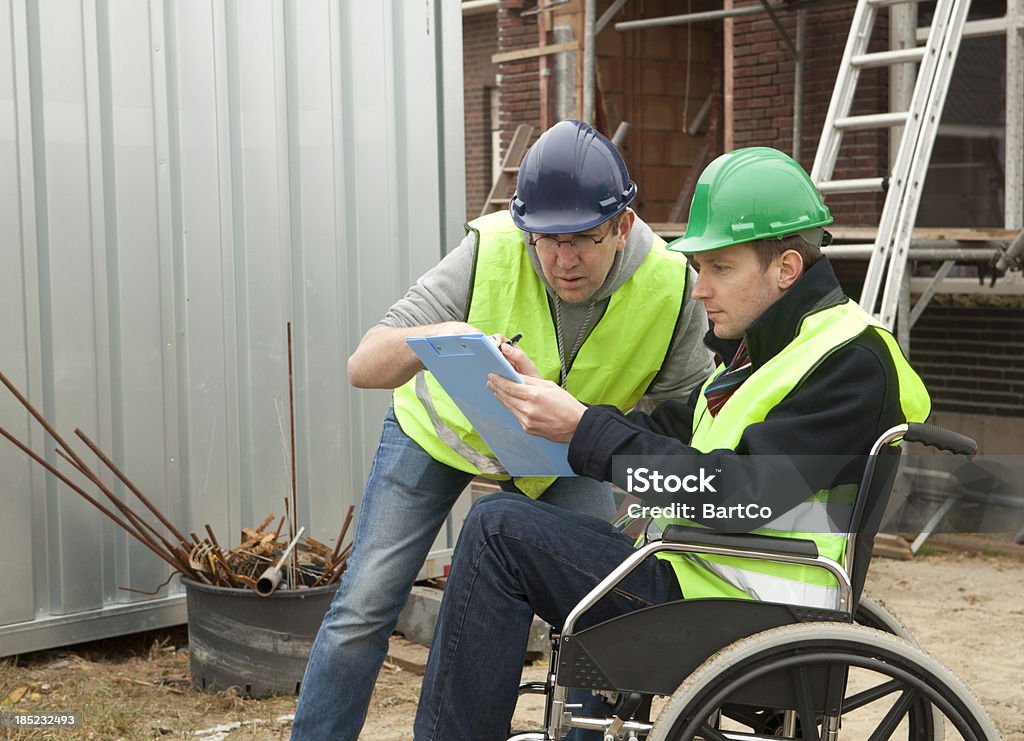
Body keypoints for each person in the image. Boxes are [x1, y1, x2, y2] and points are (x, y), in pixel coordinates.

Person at [411, 146, 932, 741]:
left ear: (786, 268)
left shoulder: (849, 361)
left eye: (719, 268)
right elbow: (662, 435)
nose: (698, 289)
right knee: (500, 520)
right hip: (704, 578)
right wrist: (562, 409)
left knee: (497, 531)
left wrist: (583, 430)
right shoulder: (765, 352)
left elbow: (744, 497)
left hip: (744, 604)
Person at [290, 120, 715, 740]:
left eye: (585, 240)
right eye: (547, 241)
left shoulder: (673, 285)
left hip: (562, 456)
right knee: (364, 608)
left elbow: (690, 415)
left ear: (623, 226)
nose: (564, 261)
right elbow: (364, 364)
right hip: (436, 438)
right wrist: (434, 337)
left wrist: (626, 457)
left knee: (597, 612)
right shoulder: (488, 249)